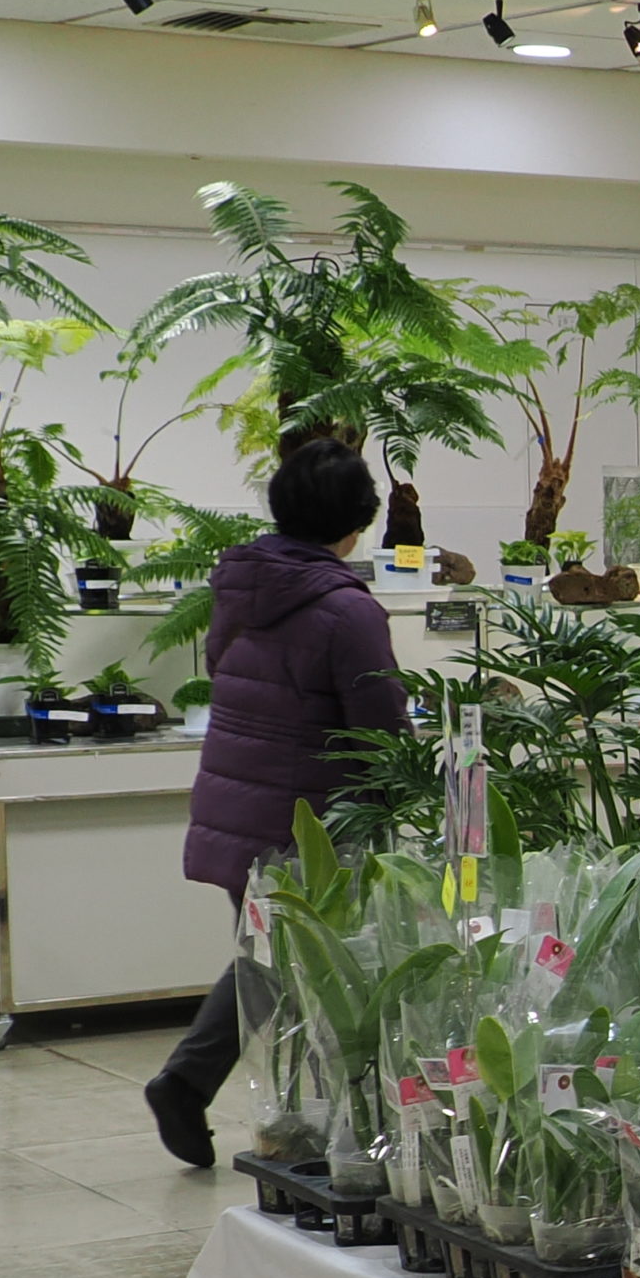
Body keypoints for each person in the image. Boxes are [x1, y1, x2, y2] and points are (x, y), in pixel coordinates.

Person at [143, 437, 412, 1165]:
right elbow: (380, 727)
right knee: (314, 975)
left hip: (241, 806)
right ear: (357, 520)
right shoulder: (346, 610)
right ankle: (313, 1131)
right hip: (309, 823)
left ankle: (200, 1088)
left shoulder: (242, 587)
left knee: (270, 963)